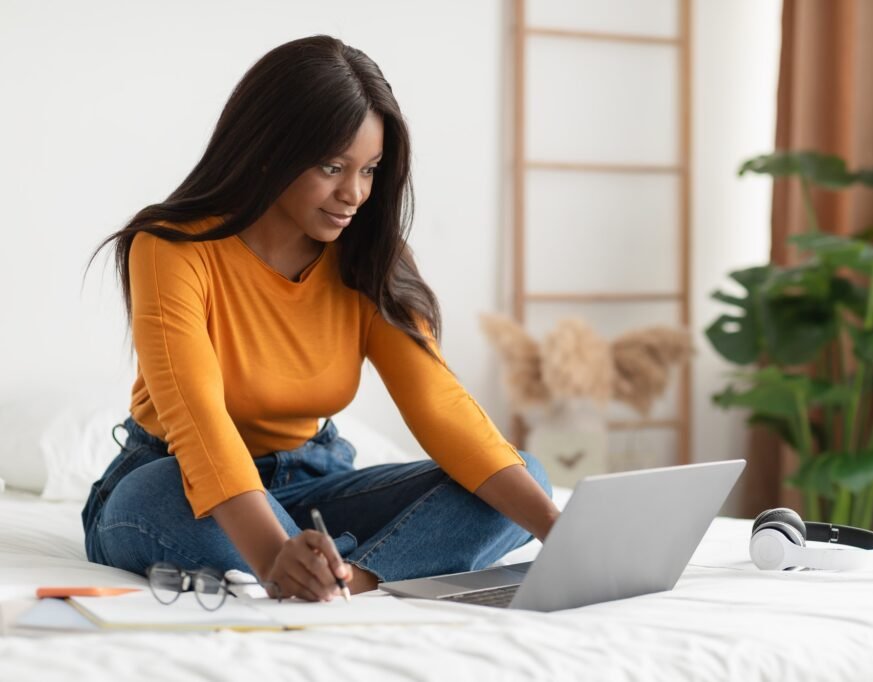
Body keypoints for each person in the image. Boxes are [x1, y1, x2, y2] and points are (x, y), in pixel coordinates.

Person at [82, 35, 557, 602]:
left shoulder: (371, 256)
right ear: (268, 149)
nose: (354, 194)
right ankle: (310, 563)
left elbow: (440, 406)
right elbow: (198, 422)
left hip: (313, 479)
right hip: (176, 476)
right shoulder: (171, 249)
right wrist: (271, 555)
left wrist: (563, 533)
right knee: (152, 493)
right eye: (332, 166)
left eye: (370, 170)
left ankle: (348, 577)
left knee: (524, 474)